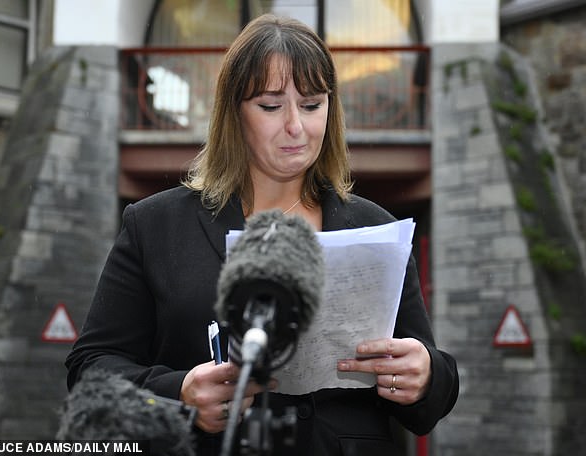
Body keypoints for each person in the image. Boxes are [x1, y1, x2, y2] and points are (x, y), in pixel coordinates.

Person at [65, 13, 458, 455]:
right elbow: (90, 371)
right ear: (234, 113)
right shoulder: (154, 225)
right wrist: (179, 393)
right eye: (271, 106)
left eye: (312, 105)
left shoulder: (376, 228)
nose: (296, 126)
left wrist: (426, 374)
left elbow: (428, 401)